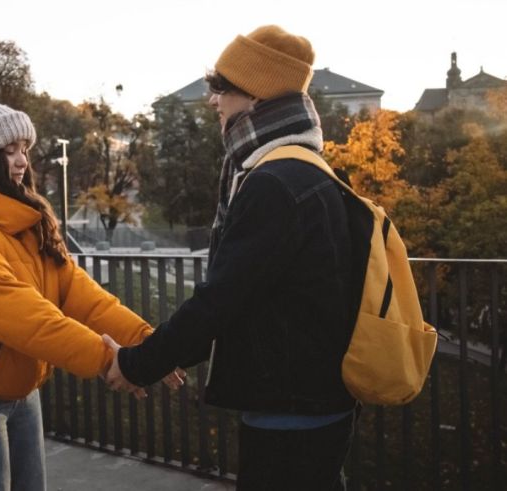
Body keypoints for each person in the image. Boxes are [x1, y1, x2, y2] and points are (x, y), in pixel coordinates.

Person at [104, 25, 360, 490]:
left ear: (257, 95)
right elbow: (249, 293)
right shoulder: (310, 169)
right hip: (318, 401)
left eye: (221, 87)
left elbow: (221, 299)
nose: (213, 100)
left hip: (288, 410)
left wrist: (137, 363)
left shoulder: (272, 183)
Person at [0, 101, 182, 491]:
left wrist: (144, 340)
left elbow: (76, 291)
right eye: (9, 150)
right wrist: (109, 359)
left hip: (24, 390)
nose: (22, 160)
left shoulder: (28, 218)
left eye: (24, 148)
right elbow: (22, 314)